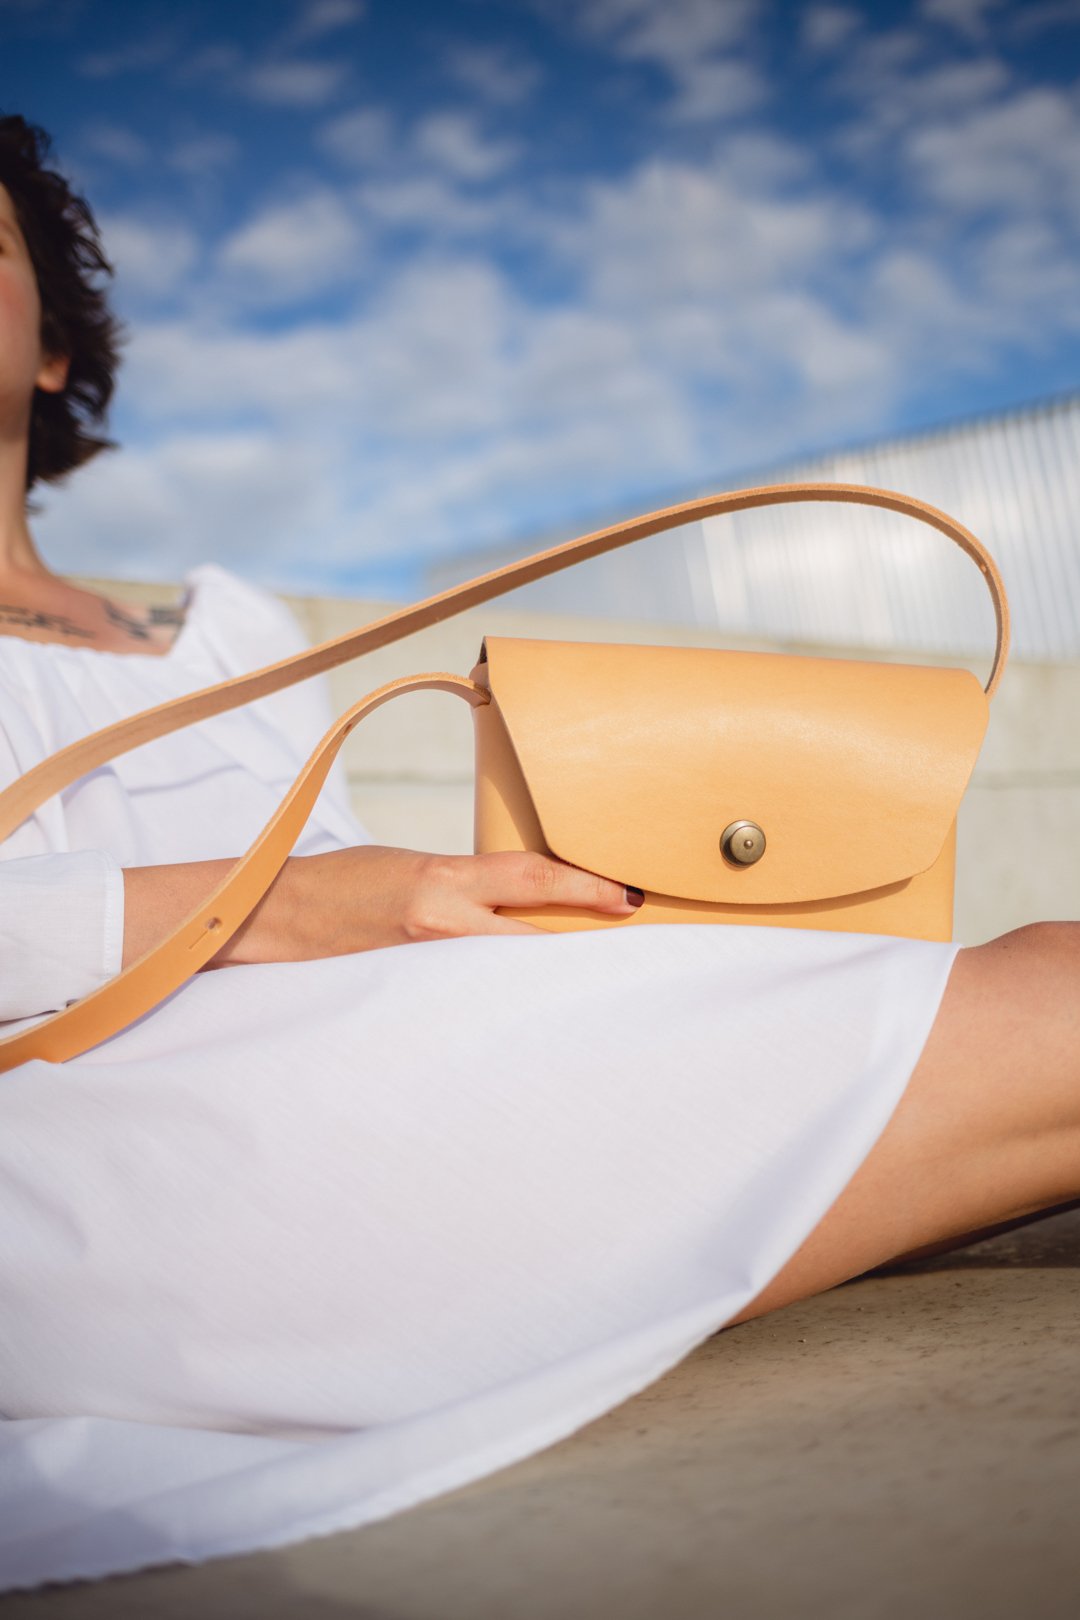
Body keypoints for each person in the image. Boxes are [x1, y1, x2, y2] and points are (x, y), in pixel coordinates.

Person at [0, 112, 1075, 1592]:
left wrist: (409, 907)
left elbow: (361, 881)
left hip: (344, 1056)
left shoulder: (230, 623)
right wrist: (287, 907)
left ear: (56, 348)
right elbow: (319, 895)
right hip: (96, 1140)